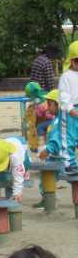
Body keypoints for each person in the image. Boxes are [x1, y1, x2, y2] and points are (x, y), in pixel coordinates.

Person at [0, 137, 30, 203]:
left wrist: (17, 193)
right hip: (5, 144)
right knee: (3, 179)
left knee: (26, 165)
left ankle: (26, 172)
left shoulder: (16, 156)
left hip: (21, 144)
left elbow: (18, 175)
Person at [53, 40, 78, 173]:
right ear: (73, 61)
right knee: (68, 137)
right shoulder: (66, 76)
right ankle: (69, 163)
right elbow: (63, 94)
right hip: (69, 111)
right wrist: (69, 108)